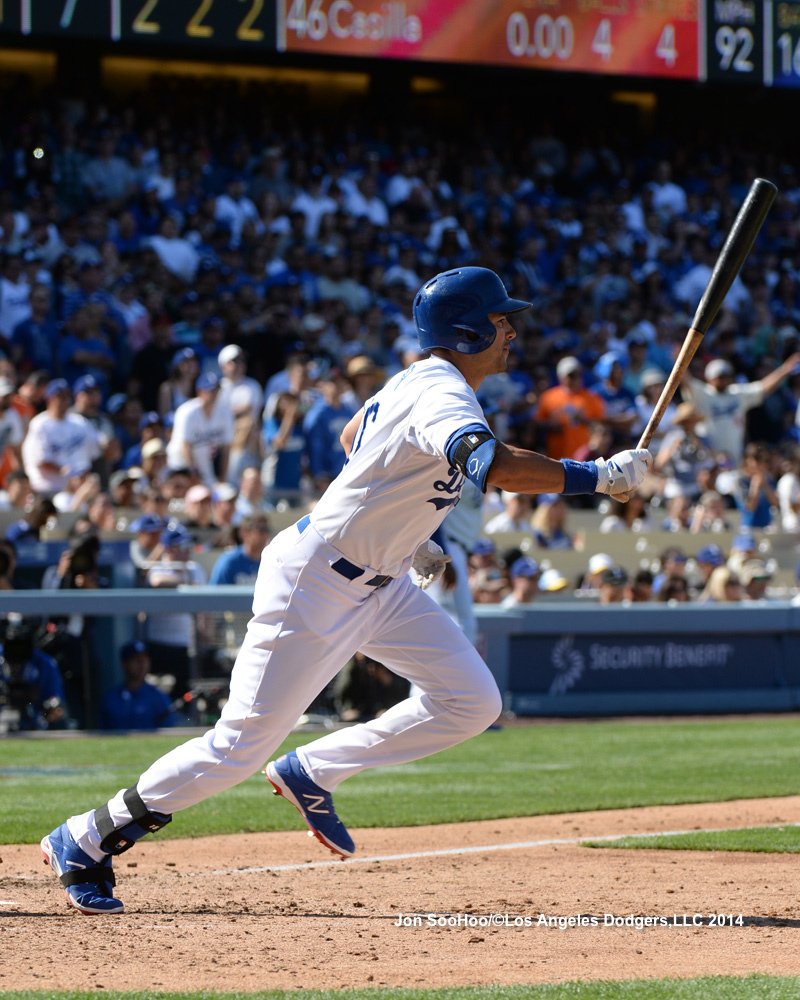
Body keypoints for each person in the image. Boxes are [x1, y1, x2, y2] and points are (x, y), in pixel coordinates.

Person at [40, 265, 650, 915]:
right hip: (316, 583)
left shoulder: (421, 382)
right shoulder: (442, 390)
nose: (511, 331)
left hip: (380, 582)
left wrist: (402, 528)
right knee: (235, 748)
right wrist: (598, 475)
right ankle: (85, 838)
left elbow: (353, 437)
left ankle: (316, 769)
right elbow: (494, 466)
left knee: (472, 701)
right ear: (468, 331)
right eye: (502, 320)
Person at [684, 354, 800, 465]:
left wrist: (784, 369)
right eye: (719, 377)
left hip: (735, 458)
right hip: (709, 459)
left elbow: (763, 387)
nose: (723, 380)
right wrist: (680, 359)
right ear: (709, 378)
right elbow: (686, 381)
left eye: (726, 376)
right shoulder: (703, 393)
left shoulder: (737, 393)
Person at [99, 641, 176, 731]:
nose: (142, 664)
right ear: (124, 664)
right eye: (136, 659)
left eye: (145, 659)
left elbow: (168, 732)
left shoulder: (160, 698)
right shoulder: (110, 698)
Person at [208, 513, 271, 586]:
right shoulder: (229, 561)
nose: (265, 535)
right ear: (245, 533)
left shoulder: (270, 560)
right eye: (261, 530)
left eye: (267, 530)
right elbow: (216, 593)